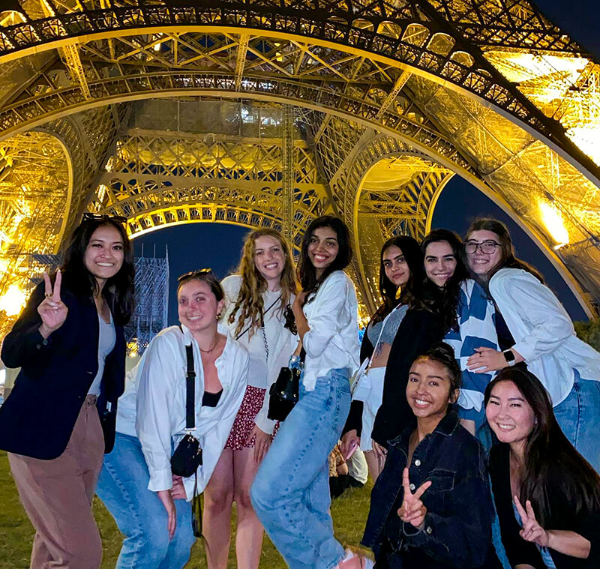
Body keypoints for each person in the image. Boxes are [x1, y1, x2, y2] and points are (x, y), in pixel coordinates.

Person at [0, 214, 135, 569]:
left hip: (89, 428)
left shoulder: (111, 304)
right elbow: (12, 352)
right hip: (43, 426)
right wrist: (44, 328)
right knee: (81, 553)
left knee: (53, 543)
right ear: (81, 249)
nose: (108, 254)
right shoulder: (58, 295)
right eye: (98, 245)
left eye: (117, 247)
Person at [97, 269, 248, 569]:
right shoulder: (169, 343)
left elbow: (218, 428)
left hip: (167, 449)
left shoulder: (237, 357)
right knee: (152, 533)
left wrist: (194, 482)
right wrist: (163, 485)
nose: (190, 308)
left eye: (200, 299)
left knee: (181, 541)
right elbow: (152, 421)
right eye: (183, 301)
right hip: (123, 438)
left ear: (220, 305)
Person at [250, 215, 362, 569]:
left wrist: (297, 309)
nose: (320, 248)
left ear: (341, 248)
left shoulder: (338, 283)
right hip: (319, 392)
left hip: (325, 392)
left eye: (330, 242)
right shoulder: (319, 287)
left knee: (268, 494)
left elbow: (312, 345)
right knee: (310, 501)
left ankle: (339, 561)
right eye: (314, 240)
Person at [463, 218, 600, 471]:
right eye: (472, 244)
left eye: (488, 244)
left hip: (572, 387)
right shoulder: (497, 285)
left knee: (583, 478)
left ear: (505, 248)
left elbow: (559, 324)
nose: (479, 251)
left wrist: (507, 356)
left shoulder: (504, 279)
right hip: (564, 390)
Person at [205, 229, 297, 569]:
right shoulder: (231, 288)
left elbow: (285, 364)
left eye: (275, 250)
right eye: (260, 252)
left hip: (260, 403)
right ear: (251, 258)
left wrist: (266, 420)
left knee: (248, 497)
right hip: (220, 399)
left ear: (286, 255)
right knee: (216, 497)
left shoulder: (294, 302)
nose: (268, 257)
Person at [362, 344, 499, 569]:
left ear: (453, 395)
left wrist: (424, 522)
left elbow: (474, 543)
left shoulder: (464, 449)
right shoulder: (399, 444)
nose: (420, 390)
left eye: (434, 383)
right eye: (415, 379)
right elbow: (385, 524)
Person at [486, 367, 600, 568]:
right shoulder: (499, 459)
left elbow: (594, 544)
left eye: (515, 405)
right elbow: (516, 544)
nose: (501, 414)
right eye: (495, 402)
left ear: (537, 414)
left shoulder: (558, 468)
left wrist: (548, 538)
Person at [341, 236, 426, 481]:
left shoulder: (423, 305)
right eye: (387, 263)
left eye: (400, 260)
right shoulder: (389, 307)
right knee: (380, 487)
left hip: (395, 391)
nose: (393, 268)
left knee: (399, 481)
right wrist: (353, 422)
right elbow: (364, 362)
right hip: (369, 392)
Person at [420, 229, 499, 437]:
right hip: (445, 406)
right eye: (432, 260)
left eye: (448, 259)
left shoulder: (468, 290)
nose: (440, 267)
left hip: (467, 410)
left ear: (459, 260)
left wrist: (469, 416)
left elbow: (478, 355)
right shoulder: (433, 301)